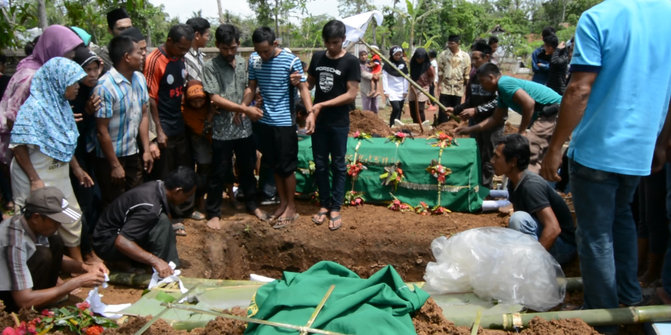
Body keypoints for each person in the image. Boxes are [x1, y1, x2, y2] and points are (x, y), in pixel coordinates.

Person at [539, 0, 671, 322]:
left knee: (595, 233)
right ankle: (628, 297)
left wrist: (555, 147)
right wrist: (661, 141)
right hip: (639, 147)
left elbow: (579, 90)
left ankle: (601, 314)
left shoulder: (599, 17)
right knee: (622, 218)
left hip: (599, 147)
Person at [10, 57, 94, 265]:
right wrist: (34, 179)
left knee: (71, 215)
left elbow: (63, 142)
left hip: (58, 170)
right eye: (73, 83)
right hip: (35, 172)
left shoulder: (62, 105)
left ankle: (77, 263)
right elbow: (18, 146)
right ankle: (35, 271)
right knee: (36, 222)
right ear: (58, 82)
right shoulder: (34, 109)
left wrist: (76, 169)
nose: (77, 88)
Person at [202, 24, 269, 230]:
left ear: (238, 44)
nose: (229, 52)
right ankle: (213, 212)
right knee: (219, 170)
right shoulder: (210, 67)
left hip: (243, 128)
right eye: (224, 49)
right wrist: (245, 109)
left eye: (232, 48)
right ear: (217, 46)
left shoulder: (243, 63)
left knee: (247, 168)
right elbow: (214, 97)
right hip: (222, 129)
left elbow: (250, 86)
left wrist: (243, 109)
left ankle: (251, 204)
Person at [246, 26, 313, 226]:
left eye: (266, 51)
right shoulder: (254, 60)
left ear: (275, 44)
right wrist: (243, 108)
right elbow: (251, 87)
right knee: (274, 164)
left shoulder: (290, 61)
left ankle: (291, 206)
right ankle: (282, 203)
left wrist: (310, 113)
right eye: (258, 51)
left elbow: (303, 88)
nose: (262, 55)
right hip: (264, 122)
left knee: (287, 168)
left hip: (284, 122)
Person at [0, 187, 107, 312]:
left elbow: (60, 259)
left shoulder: (32, 224)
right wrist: (75, 283)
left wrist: (85, 267)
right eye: (56, 221)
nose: (59, 225)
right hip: (10, 298)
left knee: (55, 241)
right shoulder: (13, 242)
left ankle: (44, 298)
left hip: (21, 287)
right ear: (36, 217)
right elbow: (23, 300)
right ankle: (27, 308)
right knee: (42, 254)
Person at [0, 25, 82, 170]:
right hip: (26, 157)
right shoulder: (31, 77)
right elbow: (13, 121)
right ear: (53, 51)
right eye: (67, 57)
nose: (69, 63)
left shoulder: (47, 73)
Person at [457, 63, 562, 173]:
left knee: (529, 150)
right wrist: (469, 129)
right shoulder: (502, 94)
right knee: (544, 154)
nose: (482, 86)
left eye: (482, 82)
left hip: (553, 110)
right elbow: (495, 119)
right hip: (550, 113)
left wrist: (521, 132)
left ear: (491, 77)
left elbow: (529, 103)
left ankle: (528, 185)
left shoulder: (504, 83)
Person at [93, 166, 196, 277]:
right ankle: (147, 267)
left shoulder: (158, 186)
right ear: (178, 191)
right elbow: (122, 241)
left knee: (163, 221)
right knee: (162, 224)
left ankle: (133, 262)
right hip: (107, 244)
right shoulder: (150, 208)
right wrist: (156, 261)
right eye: (187, 196)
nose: (187, 200)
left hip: (109, 235)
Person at [306, 20, 360, 231]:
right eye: (328, 42)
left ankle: (336, 206)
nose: (331, 47)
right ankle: (324, 204)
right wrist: (298, 82)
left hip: (338, 121)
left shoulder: (351, 61)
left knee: (338, 164)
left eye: (335, 42)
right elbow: (309, 84)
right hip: (319, 121)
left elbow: (351, 94)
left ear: (343, 39)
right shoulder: (318, 57)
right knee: (319, 164)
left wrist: (321, 104)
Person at [492, 134, 576, 264]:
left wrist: (533, 264)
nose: (492, 161)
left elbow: (553, 228)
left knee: (519, 219)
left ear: (513, 161)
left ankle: (531, 264)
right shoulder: (513, 182)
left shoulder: (531, 186)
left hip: (563, 246)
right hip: (547, 239)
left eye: (497, 157)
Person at [94, 35, 152, 206]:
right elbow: (101, 131)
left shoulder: (139, 79)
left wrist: (146, 149)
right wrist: (114, 165)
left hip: (132, 152)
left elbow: (143, 114)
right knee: (115, 203)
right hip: (110, 157)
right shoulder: (105, 87)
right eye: (139, 52)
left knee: (136, 200)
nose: (143, 55)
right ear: (127, 57)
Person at [448, 42, 500, 188]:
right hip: (476, 123)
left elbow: (497, 101)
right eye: (473, 59)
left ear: (487, 57)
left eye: (477, 59)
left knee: (489, 157)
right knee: (476, 154)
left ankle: (486, 189)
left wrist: (476, 110)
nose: (474, 62)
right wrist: (456, 109)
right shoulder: (474, 74)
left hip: (491, 124)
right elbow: (471, 99)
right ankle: (475, 185)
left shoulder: (494, 75)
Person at [145, 24, 194, 180]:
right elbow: (150, 98)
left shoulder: (180, 58)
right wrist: (158, 131)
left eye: (186, 49)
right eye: (180, 48)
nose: (183, 52)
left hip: (179, 123)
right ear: (169, 41)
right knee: (165, 173)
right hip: (163, 125)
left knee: (183, 169)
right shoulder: (154, 60)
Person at [69, 46, 104, 261]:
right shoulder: (71, 95)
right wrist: (86, 113)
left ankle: (91, 245)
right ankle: (83, 251)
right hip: (73, 158)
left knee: (95, 199)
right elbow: (73, 133)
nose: (92, 74)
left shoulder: (91, 92)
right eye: (87, 70)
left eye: (95, 69)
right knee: (84, 201)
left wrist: (89, 113)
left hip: (87, 153)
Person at [183, 17, 211, 221]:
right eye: (207, 34)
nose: (208, 38)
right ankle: (189, 205)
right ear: (197, 35)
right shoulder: (184, 57)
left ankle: (200, 200)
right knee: (189, 163)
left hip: (203, 117)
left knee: (204, 162)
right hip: (189, 117)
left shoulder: (200, 56)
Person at [436, 34, 471, 125]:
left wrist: (466, 88)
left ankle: (453, 126)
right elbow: (440, 71)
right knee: (443, 109)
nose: (450, 45)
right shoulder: (443, 55)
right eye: (449, 43)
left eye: (452, 43)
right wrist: (439, 85)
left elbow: (467, 73)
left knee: (456, 109)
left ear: (458, 43)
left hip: (458, 87)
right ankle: (441, 126)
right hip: (445, 86)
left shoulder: (465, 56)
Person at [95, 7, 133, 71]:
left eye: (129, 28)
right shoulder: (102, 57)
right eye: (121, 29)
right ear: (110, 30)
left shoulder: (140, 53)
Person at [382, 46, 408, 127]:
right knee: (396, 108)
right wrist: (386, 91)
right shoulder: (387, 65)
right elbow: (385, 78)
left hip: (401, 90)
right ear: (392, 55)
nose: (397, 57)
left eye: (399, 55)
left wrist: (405, 90)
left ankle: (397, 126)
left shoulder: (403, 64)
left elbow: (406, 78)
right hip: (391, 90)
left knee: (399, 110)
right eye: (396, 55)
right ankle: (392, 125)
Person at [407, 48, 434, 124]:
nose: (419, 61)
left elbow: (431, 78)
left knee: (420, 108)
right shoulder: (412, 64)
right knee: (412, 107)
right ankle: (415, 123)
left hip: (423, 88)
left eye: (421, 59)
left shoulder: (428, 67)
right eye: (418, 59)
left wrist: (429, 93)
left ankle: (422, 123)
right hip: (413, 87)